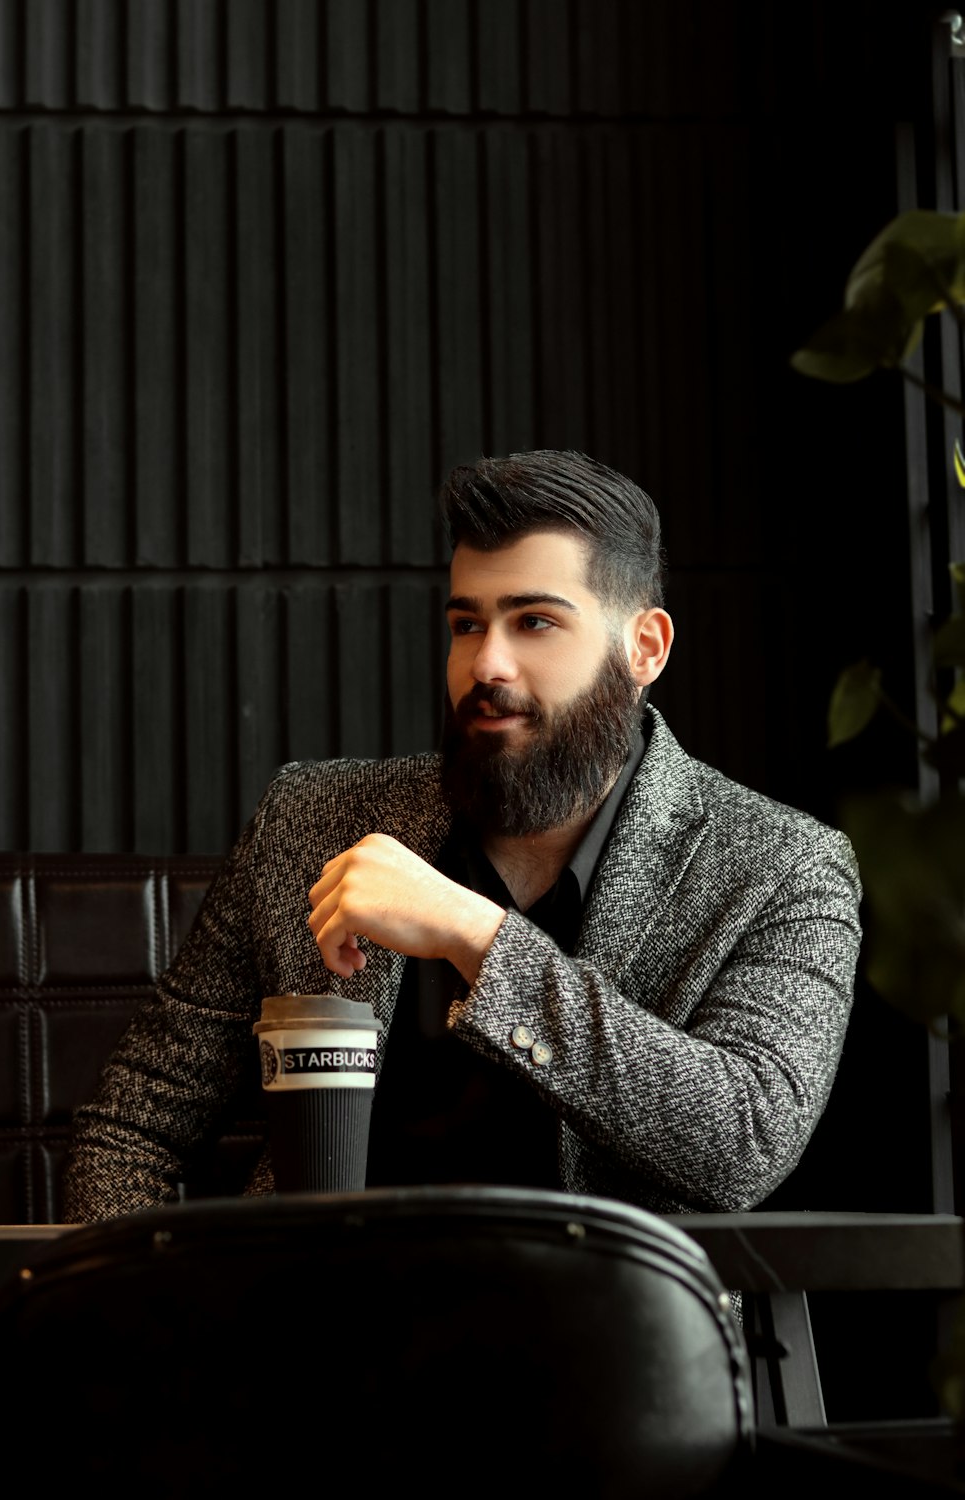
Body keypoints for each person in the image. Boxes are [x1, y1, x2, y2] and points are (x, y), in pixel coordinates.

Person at [63, 449, 861, 1222]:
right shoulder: (310, 818)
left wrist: (475, 934)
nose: (488, 664)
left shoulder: (781, 867)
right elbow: (133, 1127)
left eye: (535, 622)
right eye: (467, 624)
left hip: (611, 1342)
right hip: (324, 1343)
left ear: (643, 647)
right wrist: (159, 1335)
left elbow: (745, 1142)